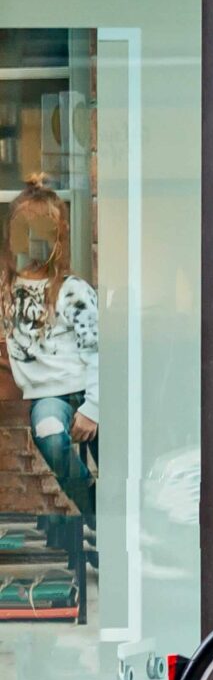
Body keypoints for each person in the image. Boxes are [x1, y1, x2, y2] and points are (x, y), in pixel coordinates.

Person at [4, 184, 99, 525]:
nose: (32, 243)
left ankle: (127, 534)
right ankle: (97, 516)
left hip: (90, 391)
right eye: (24, 233)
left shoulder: (73, 290)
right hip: (48, 397)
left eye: (41, 234)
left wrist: (94, 407)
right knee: (49, 435)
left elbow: (97, 349)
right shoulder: (6, 290)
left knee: (119, 467)